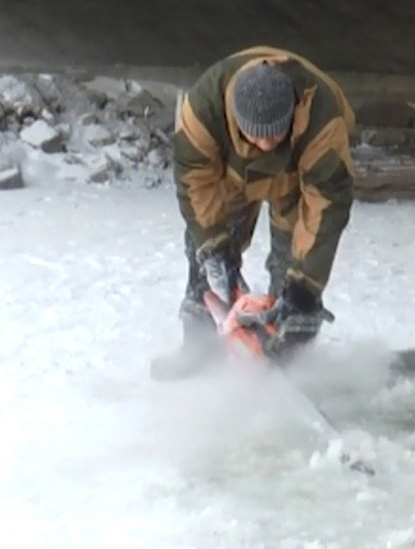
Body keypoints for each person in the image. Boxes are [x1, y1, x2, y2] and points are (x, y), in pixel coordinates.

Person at [151, 46, 355, 379]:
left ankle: (289, 359)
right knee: (210, 267)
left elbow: (327, 202)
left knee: (292, 273)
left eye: (275, 133)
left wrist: (305, 287)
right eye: (256, 136)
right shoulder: (204, 108)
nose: (266, 145)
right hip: (229, 177)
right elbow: (196, 182)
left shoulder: (321, 118)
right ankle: (199, 348)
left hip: (295, 179)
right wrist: (213, 247)